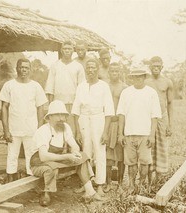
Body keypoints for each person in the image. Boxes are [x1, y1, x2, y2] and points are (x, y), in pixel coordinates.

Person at [30, 100, 104, 206]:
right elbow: (43, 156)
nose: (61, 118)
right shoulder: (43, 131)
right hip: (39, 164)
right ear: (49, 117)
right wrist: (67, 156)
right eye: (57, 115)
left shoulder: (65, 128)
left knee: (82, 157)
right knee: (50, 169)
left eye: (63, 115)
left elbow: (75, 146)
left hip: (56, 160)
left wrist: (74, 153)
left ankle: (90, 191)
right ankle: (46, 194)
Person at [0, 58, 48, 181]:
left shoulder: (36, 86)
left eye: (26, 68)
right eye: (21, 67)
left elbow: (40, 108)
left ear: (30, 70)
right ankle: (10, 183)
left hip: (31, 129)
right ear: (17, 69)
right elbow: (4, 108)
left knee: (31, 156)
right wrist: (6, 130)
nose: (24, 70)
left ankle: (30, 184)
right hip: (14, 129)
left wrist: (39, 129)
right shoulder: (9, 85)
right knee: (12, 156)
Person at [72, 58, 114, 196]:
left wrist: (106, 132)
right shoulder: (81, 86)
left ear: (97, 69)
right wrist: (77, 131)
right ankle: (87, 184)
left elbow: (108, 111)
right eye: (88, 67)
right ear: (85, 70)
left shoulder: (103, 86)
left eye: (93, 67)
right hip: (84, 120)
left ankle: (100, 185)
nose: (90, 70)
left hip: (98, 119)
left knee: (99, 151)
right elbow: (76, 111)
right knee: (86, 152)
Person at [117, 70, 161, 194]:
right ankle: (131, 185)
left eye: (140, 76)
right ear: (131, 78)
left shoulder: (151, 93)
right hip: (129, 133)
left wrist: (152, 135)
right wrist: (121, 134)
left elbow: (155, 116)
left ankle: (141, 185)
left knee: (145, 162)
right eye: (135, 77)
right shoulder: (126, 92)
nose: (138, 79)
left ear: (144, 77)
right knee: (131, 163)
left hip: (145, 134)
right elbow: (121, 114)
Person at [45, 41, 85, 137]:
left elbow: (82, 88)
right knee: (59, 130)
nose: (67, 51)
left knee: (72, 130)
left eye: (69, 49)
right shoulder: (55, 66)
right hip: (58, 104)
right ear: (61, 50)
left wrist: (79, 105)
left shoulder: (78, 66)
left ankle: (72, 149)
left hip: (73, 103)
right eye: (65, 48)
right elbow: (50, 88)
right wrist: (51, 106)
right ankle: (61, 149)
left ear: (73, 50)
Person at [145, 56, 174, 189]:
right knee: (148, 146)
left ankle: (159, 180)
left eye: (158, 66)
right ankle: (148, 180)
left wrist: (170, 125)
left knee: (161, 147)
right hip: (148, 118)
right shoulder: (145, 82)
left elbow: (170, 104)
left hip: (162, 118)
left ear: (162, 67)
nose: (155, 68)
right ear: (150, 67)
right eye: (153, 66)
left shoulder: (167, 82)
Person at [104, 62, 128, 192]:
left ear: (120, 72)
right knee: (107, 155)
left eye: (116, 71)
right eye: (112, 71)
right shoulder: (104, 86)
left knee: (120, 156)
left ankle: (119, 184)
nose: (114, 73)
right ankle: (108, 183)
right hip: (107, 122)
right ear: (108, 72)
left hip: (120, 123)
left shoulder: (125, 87)